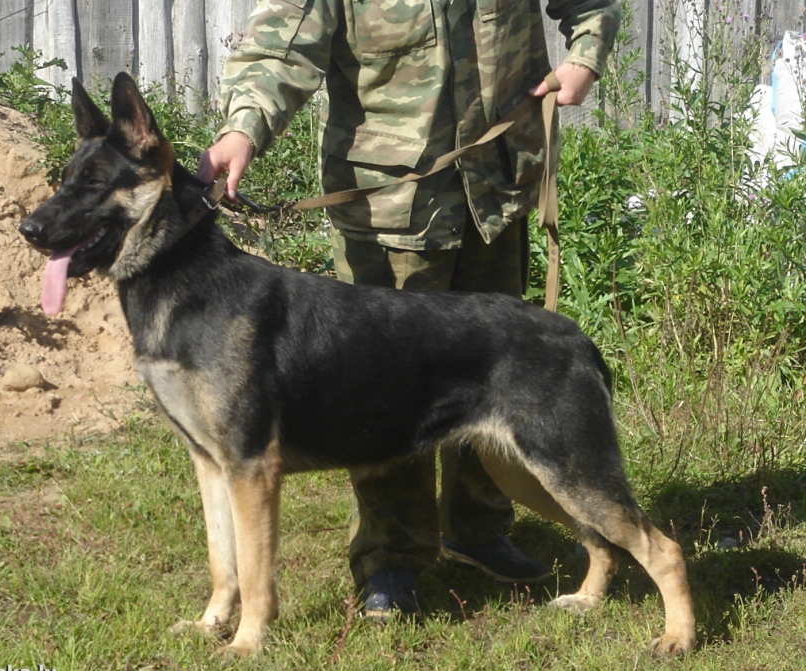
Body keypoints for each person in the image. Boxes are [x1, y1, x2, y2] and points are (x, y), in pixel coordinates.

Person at [197, 0, 621, 619]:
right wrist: (243, 128)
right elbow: (280, 48)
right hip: (389, 208)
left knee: (497, 378)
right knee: (380, 392)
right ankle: (391, 559)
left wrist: (584, 57)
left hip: (495, 192)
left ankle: (477, 530)